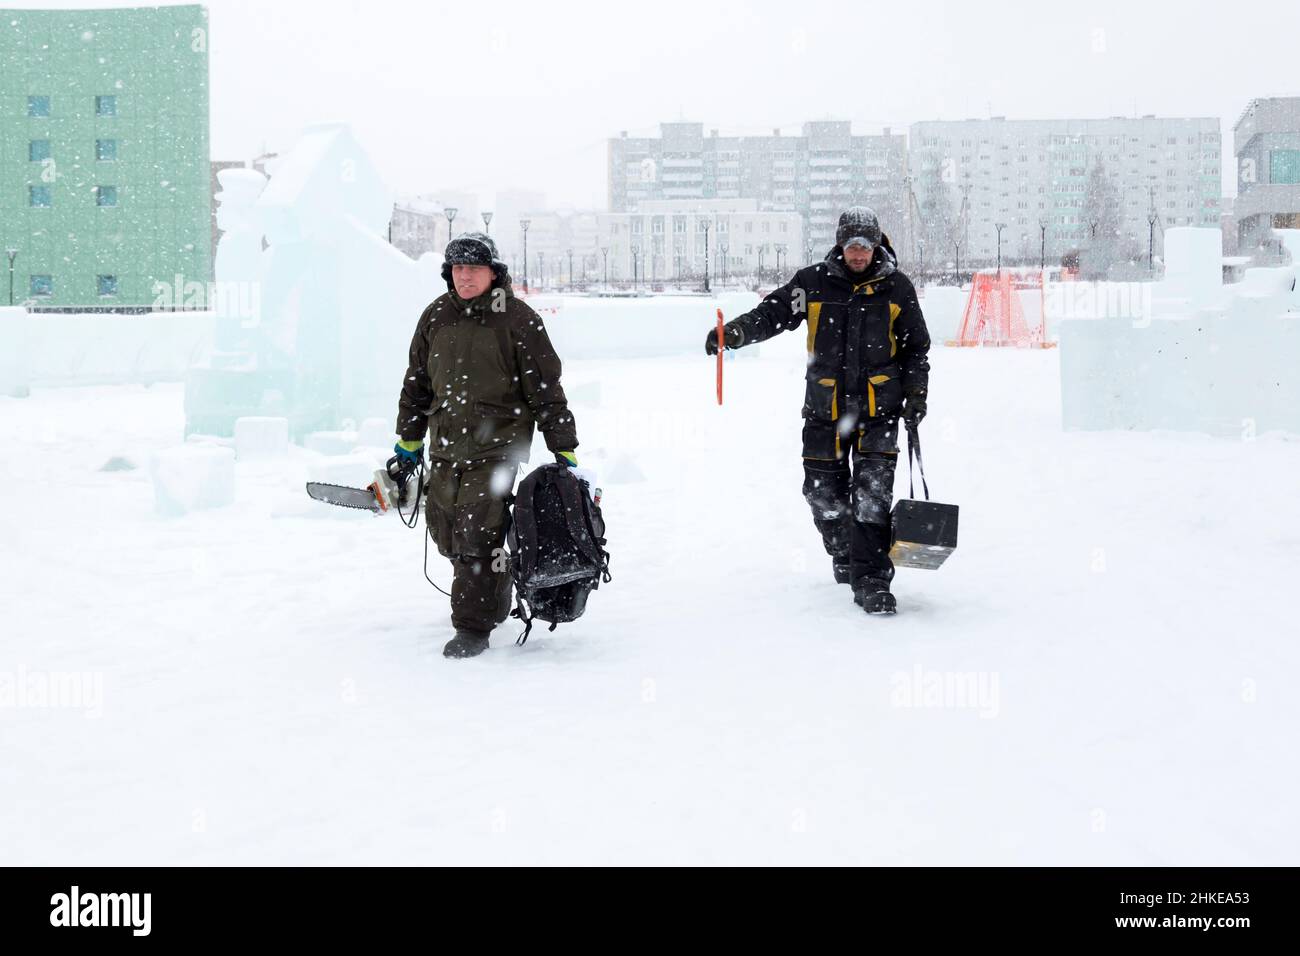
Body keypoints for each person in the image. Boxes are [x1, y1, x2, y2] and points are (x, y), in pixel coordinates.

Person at [706, 207, 930, 614]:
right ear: (840, 245)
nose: (858, 254)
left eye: (865, 246)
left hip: (879, 408)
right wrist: (734, 332)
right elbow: (773, 313)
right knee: (822, 494)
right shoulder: (813, 282)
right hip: (824, 408)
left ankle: (873, 579)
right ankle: (846, 550)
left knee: (872, 497)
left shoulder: (896, 287)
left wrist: (916, 394)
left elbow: (916, 349)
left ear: (876, 245)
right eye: (851, 246)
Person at [393, 232, 579, 657]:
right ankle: (494, 583)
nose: (465, 277)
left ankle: (473, 625)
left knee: (478, 532)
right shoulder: (436, 316)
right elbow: (416, 384)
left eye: (474, 268)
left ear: (494, 272)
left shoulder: (516, 319)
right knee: (446, 534)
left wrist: (563, 447)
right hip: (444, 446)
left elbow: (547, 388)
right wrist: (407, 440)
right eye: (457, 269)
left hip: (498, 448)